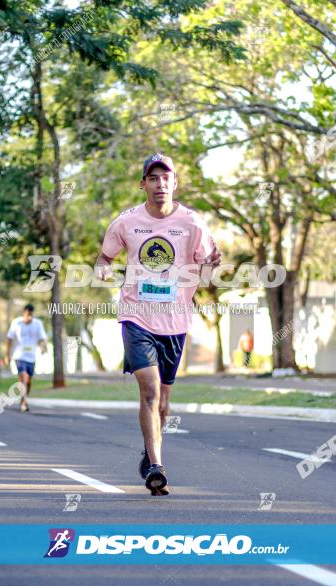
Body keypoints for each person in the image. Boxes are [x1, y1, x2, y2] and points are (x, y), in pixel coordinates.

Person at [95, 153, 220, 495]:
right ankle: (157, 467)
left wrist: (211, 265)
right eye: (153, 178)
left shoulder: (193, 224)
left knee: (163, 403)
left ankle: (150, 451)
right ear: (143, 184)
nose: (160, 184)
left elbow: (207, 275)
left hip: (175, 320)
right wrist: (103, 268)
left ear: (174, 183)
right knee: (148, 390)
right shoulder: (127, 222)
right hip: (136, 315)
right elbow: (105, 256)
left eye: (166, 178)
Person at [6, 304, 48, 413]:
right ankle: (24, 403)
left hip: (32, 357)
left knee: (29, 382)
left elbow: (43, 338)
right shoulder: (16, 323)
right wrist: (7, 355)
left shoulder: (38, 324)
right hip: (19, 356)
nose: (29, 317)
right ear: (24, 313)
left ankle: (24, 398)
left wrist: (43, 346)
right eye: (28, 315)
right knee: (23, 379)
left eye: (31, 315)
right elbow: (10, 339)